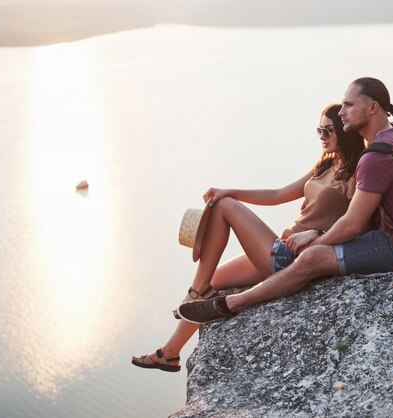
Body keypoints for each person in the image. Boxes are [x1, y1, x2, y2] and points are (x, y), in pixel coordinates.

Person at [132, 103, 366, 371]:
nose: (322, 137)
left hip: (292, 258)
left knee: (224, 207)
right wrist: (232, 189)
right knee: (216, 276)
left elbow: (359, 225)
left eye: (328, 131)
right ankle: (170, 352)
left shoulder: (358, 173)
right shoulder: (326, 165)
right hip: (277, 248)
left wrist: (318, 233)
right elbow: (278, 195)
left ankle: (196, 291)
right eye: (319, 130)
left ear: (346, 132)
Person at [177, 77, 393, 324]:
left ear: (372, 108)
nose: (342, 111)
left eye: (348, 105)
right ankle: (173, 345)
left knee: (310, 257)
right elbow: (281, 194)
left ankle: (232, 303)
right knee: (298, 256)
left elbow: (354, 224)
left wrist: (317, 238)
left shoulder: (372, 159)